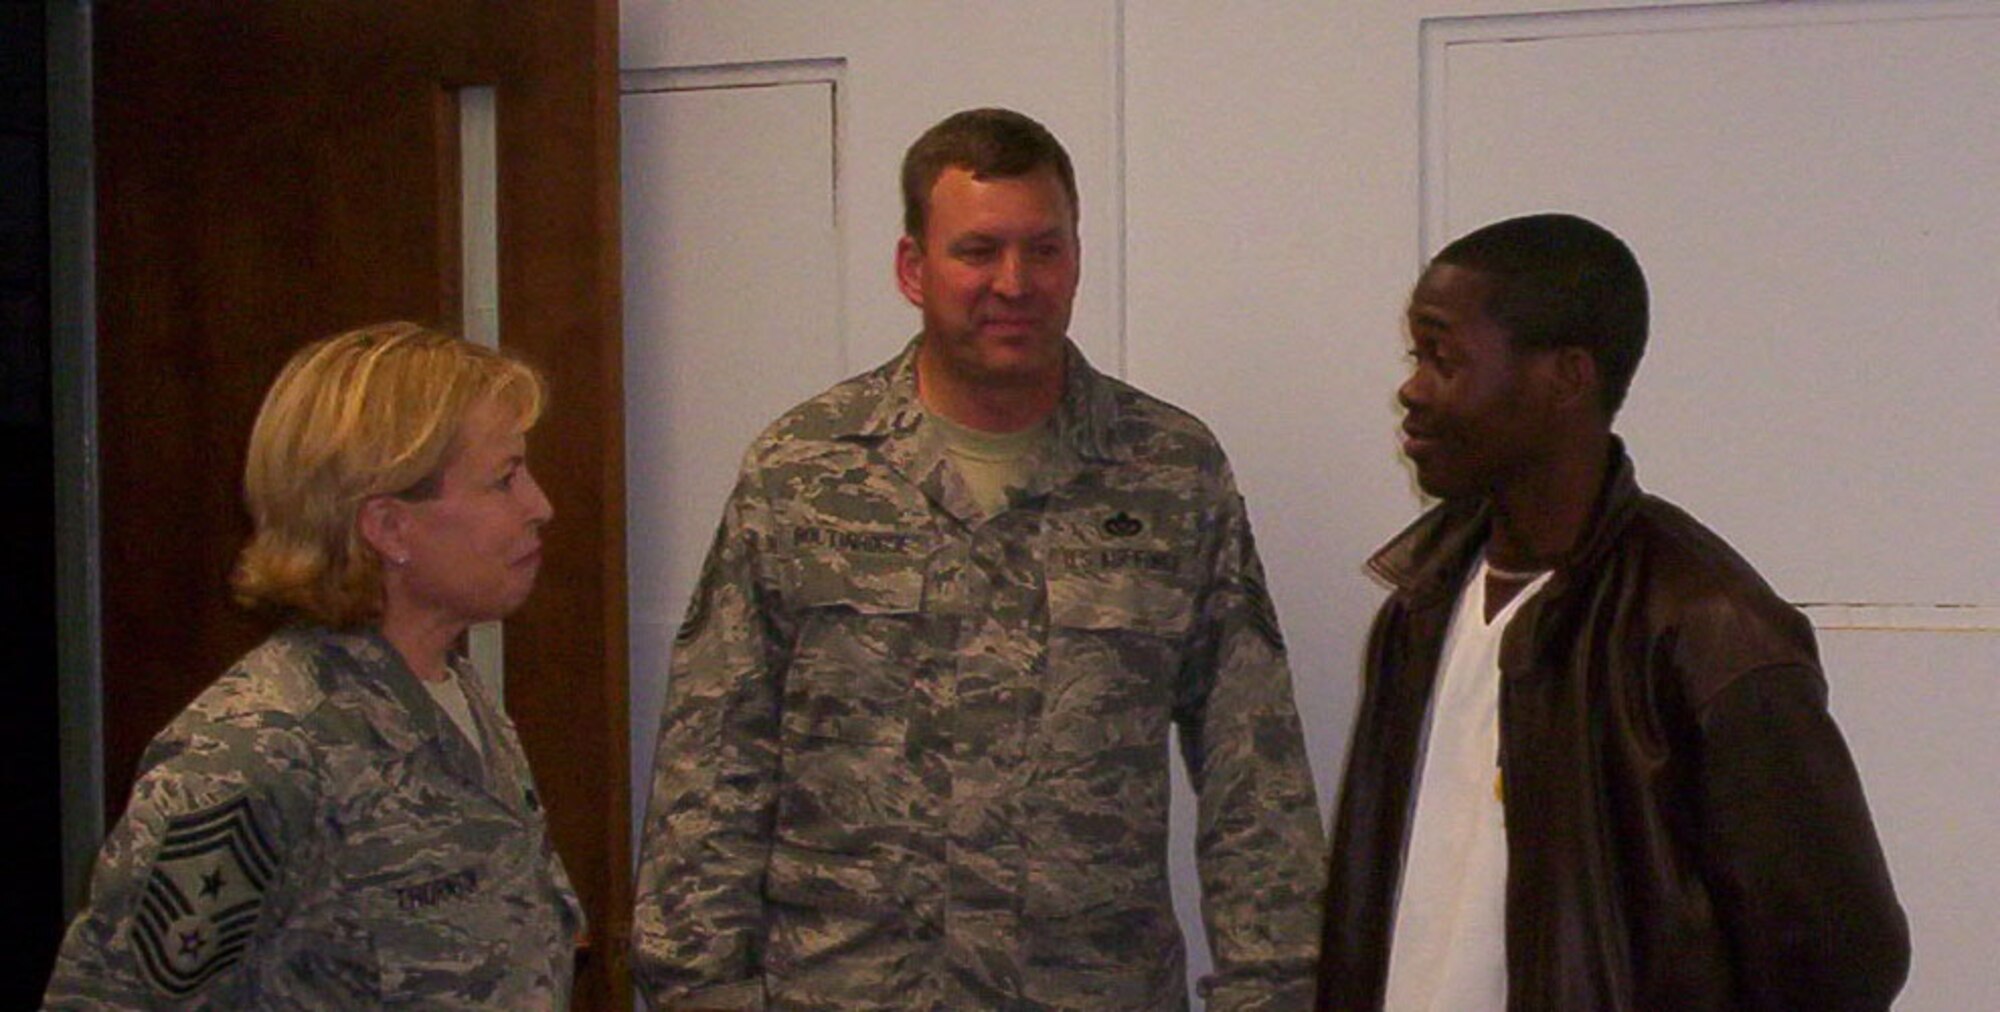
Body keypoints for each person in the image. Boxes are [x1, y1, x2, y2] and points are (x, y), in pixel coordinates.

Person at [633, 107, 1324, 1010]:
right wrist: (699, 989)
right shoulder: (805, 470)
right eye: (978, 251)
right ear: (913, 268)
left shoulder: (1169, 471)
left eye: (1045, 249)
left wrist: (1274, 990)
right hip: (845, 991)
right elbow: (715, 760)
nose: (1015, 282)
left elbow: (1253, 771)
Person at [1316, 214, 1910, 1010]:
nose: (1412, 389)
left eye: (1444, 357)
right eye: (1416, 356)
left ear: (1566, 378)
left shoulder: (1710, 628)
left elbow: (1842, 958)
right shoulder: (1421, 605)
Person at [44, 322, 584, 1008]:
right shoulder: (257, 749)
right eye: (505, 479)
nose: (541, 506)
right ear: (389, 527)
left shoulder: (456, 698)